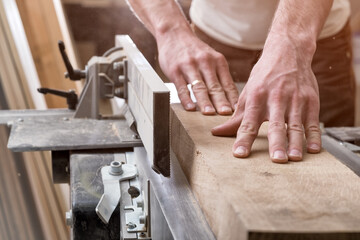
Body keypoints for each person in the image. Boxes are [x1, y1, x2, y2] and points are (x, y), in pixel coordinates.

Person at [127, 0, 355, 163]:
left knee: (329, 157)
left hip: (312, 36)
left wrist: (293, 43)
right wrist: (171, 30)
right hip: (216, 43)